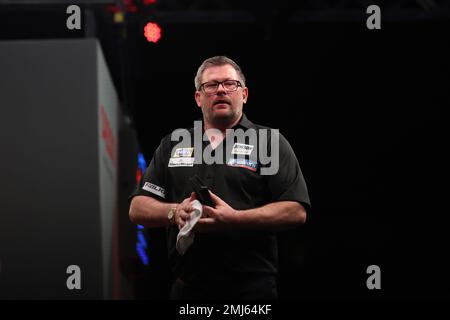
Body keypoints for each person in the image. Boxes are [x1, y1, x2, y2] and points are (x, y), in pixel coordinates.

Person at [129, 56, 310, 299]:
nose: (221, 90)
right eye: (211, 85)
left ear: (244, 94)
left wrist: (235, 219)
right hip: (187, 290)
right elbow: (137, 208)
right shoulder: (172, 144)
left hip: (251, 290)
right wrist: (174, 212)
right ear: (198, 97)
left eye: (229, 84)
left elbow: (295, 210)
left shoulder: (270, 142)